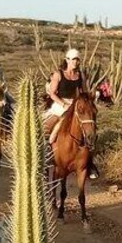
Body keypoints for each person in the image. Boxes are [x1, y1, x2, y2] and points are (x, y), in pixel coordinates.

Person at [43, 49, 99, 179]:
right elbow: (52, 93)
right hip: (60, 105)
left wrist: (88, 100)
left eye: (77, 59)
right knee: (46, 128)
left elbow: (84, 92)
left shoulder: (81, 75)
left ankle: (89, 163)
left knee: (89, 129)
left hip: (76, 106)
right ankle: (45, 155)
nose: (75, 62)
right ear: (67, 60)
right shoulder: (58, 74)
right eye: (73, 59)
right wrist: (63, 104)